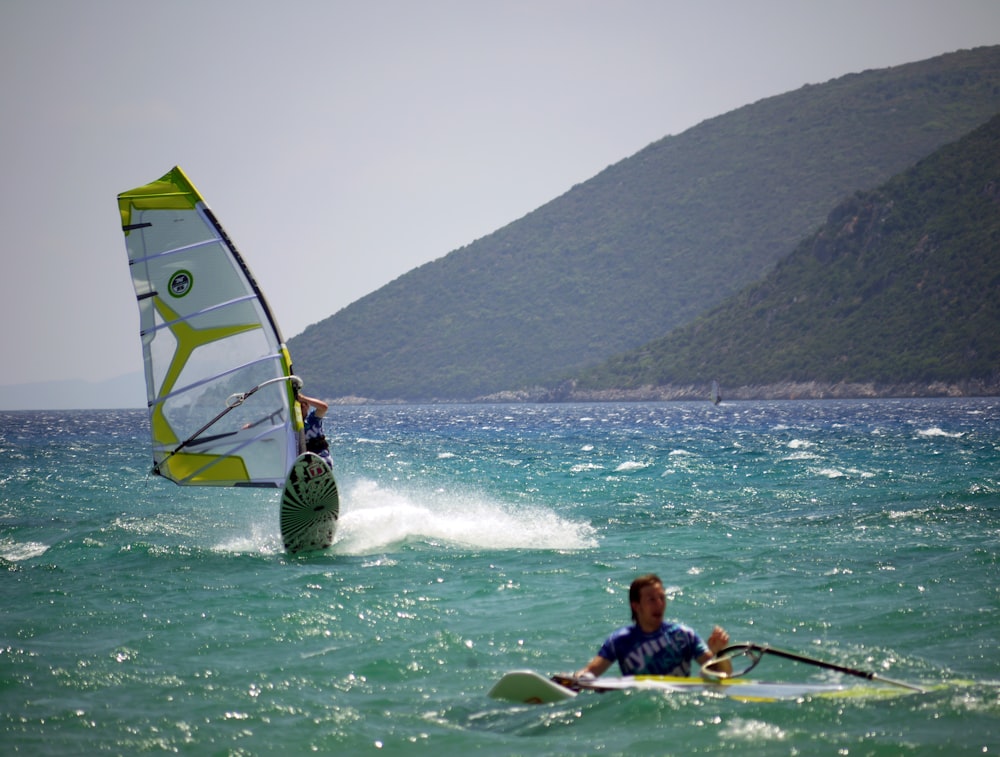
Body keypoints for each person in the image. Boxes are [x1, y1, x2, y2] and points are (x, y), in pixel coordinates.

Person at [576, 573, 733, 679]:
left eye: (662, 598)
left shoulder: (683, 635)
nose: (659, 604)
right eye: (651, 600)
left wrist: (720, 653)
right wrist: (570, 680)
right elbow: (590, 673)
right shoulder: (620, 641)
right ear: (636, 606)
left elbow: (722, 675)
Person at [298, 393, 333, 467]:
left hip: (321, 456)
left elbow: (324, 407)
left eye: (305, 404)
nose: (303, 406)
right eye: (300, 406)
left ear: (308, 406)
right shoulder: (291, 425)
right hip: (303, 459)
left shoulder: (313, 418)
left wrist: (303, 398)